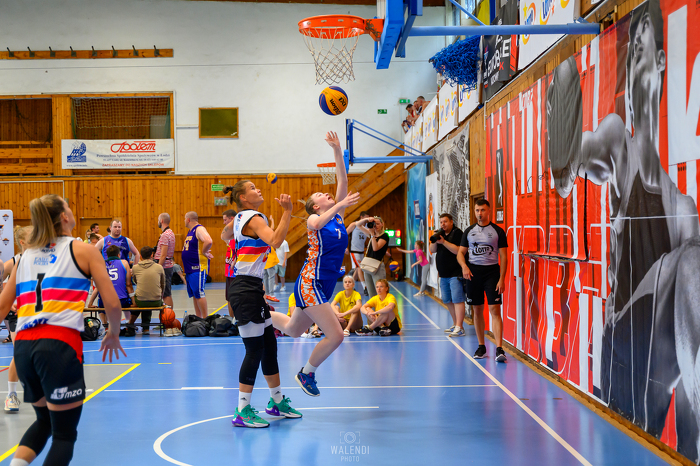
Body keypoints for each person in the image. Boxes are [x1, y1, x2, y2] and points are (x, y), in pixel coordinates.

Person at [546, 4, 700, 454]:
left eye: (640, 42)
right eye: (629, 48)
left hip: (656, 373)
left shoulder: (683, 208)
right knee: (689, 261)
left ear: (661, 59)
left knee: (692, 260)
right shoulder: (618, 141)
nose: (632, 55)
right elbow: (571, 170)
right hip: (621, 349)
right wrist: (564, 147)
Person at [0, 194, 125, 466]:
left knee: (44, 422)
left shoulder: (24, 257)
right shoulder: (83, 250)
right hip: (57, 345)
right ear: (65, 216)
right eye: (68, 206)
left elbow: (1, 307)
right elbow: (113, 303)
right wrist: (113, 332)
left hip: (23, 349)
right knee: (64, 436)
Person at [269, 130, 360, 397]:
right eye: (321, 194)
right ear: (315, 206)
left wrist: (337, 150)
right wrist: (340, 204)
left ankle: (254, 314)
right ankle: (307, 372)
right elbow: (318, 222)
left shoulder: (338, 216)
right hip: (311, 282)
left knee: (293, 329)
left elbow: (342, 179)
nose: (326, 193)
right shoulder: (313, 220)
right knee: (337, 335)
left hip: (323, 284)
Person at [222, 180, 301, 427]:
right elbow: (276, 241)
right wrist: (287, 211)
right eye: (253, 188)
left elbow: (225, 235)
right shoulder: (254, 218)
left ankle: (276, 402)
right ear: (243, 198)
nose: (258, 190)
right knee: (254, 350)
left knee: (269, 346)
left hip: (252, 287)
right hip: (245, 288)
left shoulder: (239, 218)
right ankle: (242, 410)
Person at [457, 199, 508, 362]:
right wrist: (464, 266)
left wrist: (502, 278)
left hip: (492, 272)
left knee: (494, 309)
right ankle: (481, 346)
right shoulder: (469, 231)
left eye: (483, 210)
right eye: (477, 210)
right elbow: (460, 253)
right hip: (473, 273)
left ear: (489, 211)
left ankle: (499, 349)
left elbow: (504, 257)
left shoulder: (498, 231)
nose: (480, 213)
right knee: (477, 310)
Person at [2, 225, 32, 412]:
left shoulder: (46, 259)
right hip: (19, 315)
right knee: (19, 353)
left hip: (41, 315)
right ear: (23, 242)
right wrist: (8, 299)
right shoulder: (14, 262)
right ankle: (11, 395)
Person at [429, 213, 465, 337]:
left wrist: (443, 242)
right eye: (441, 222)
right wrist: (435, 238)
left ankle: (460, 327)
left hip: (455, 273)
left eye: (445, 222)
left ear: (451, 222)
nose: (443, 224)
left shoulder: (457, 233)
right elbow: (432, 250)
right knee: (447, 300)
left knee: (457, 299)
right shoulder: (440, 234)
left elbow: (458, 251)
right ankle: (455, 324)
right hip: (443, 274)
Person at [88, 245, 134, 335]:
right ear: (119, 255)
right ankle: (128, 325)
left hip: (105, 302)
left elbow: (97, 287)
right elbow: (128, 285)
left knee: (100, 305)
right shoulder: (124, 263)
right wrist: (134, 302)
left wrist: (90, 303)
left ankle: (106, 327)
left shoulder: (100, 265)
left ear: (107, 255)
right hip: (121, 301)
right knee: (129, 303)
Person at [182, 212, 214, 319]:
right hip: (190, 268)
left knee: (199, 293)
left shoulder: (199, 229)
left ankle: (205, 319)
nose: (184, 221)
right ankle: (198, 317)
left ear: (188, 219)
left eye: (184, 219)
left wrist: (204, 252)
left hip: (197, 267)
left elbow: (208, 241)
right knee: (195, 294)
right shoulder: (190, 231)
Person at [128, 246, 165, 335]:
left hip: (141, 300)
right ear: (152, 255)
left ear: (141, 256)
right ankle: (145, 328)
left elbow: (135, 281)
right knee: (149, 298)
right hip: (156, 300)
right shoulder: (159, 267)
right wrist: (160, 295)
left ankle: (132, 325)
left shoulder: (135, 268)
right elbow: (163, 284)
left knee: (141, 299)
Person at [354, 216, 389, 298]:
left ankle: (382, 306)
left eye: (378, 224)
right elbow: (358, 224)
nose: (376, 226)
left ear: (382, 224)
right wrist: (367, 219)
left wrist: (372, 234)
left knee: (380, 293)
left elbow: (375, 248)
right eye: (374, 224)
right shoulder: (371, 234)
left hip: (378, 266)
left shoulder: (384, 236)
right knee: (371, 293)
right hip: (368, 265)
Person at [154, 213, 176, 310]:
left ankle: (168, 316)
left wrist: (158, 267)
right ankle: (168, 315)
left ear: (161, 221)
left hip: (164, 267)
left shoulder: (165, 235)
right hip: (167, 265)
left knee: (166, 293)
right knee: (166, 292)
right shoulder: (170, 233)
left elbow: (163, 255)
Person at [346, 211, 371, 295]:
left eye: (368, 217)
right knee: (359, 268)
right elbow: (345, 234)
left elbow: (370, 236)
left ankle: (350, 287)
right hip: (354, 251)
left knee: (357, 271)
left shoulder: (367, 226)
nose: (367, 219)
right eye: (366, 217)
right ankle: (365, 287)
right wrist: (345, 247)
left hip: (361, 251)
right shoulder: (354, 224)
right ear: (361, 217)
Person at [223, 209, 237, 319]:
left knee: (234, 298)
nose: (224, 222)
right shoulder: (230, 234)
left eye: (225, 220)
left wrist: (235, 260)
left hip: (235, 273)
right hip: (229, 272)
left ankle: (236, 320)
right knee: (229, 298)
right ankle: (232, 320)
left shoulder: (238, 233)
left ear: (232, 219)